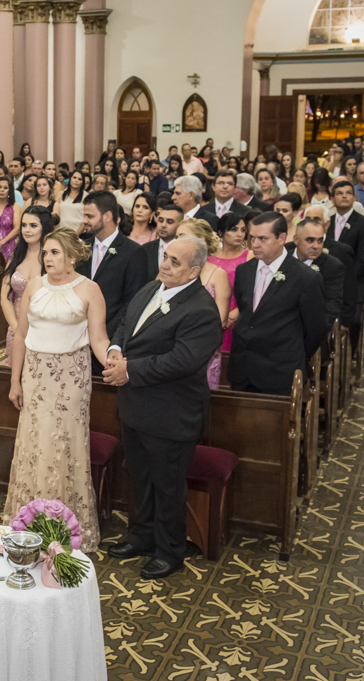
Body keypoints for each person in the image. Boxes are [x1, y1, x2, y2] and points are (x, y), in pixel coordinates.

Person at [103, 235, 224, 579]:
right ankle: (141, 536)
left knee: (167, 485)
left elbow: (182, 361)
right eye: (166, 256)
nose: (164, 265)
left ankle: (170, 551)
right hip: (134, 407)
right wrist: (115, 349)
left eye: (174, 261)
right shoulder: (151, 288)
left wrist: (130, 370)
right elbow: (126, 322)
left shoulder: (202, 310)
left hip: (170, 413)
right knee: (139, 477)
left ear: (194, 272)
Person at [5, 227, 110, 551]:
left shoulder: (90, 289)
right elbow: (21, 335)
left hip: (70, 379)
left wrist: (115, 363)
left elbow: (99, 339)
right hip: (35, 376)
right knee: (34, 443)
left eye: (55, 252)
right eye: (46, 253)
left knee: (65, 445)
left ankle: (66, 527)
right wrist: (15, 380)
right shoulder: (35, 286)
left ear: (72, 256)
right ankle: (29, 521)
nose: (48, 258)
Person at [229, 213, 327, 396]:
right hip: (242, 369)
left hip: (280, 371)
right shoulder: (244, 271)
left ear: (282, 238)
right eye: (252, 238)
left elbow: (316, 328)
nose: (255, 244)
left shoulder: (306, 277)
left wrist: (294, 353)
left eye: (262, 238)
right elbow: (247, 313)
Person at [77, 190, 150, 373]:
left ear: (107, 216)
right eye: (84, 215)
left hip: (111, 340)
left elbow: (132, 302)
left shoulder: (133, 252)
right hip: (77, 339)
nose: (84, 221)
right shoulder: (82, 248)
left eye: (90, 216)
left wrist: (103, 334)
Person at [176, 219, 232, 390]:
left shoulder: (218, 275)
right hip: (172, 350)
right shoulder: (171, 271)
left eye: (183, 236)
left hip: (203, 352)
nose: (177, 241)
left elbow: (220, 321)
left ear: (201, 241)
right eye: (176, 237)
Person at [0, 206, 52, 365]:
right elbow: (4, 297)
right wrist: (16, 327)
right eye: (24, 225)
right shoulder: (16, 256)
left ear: (44, 227)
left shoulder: (52, 257)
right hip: (16, 328)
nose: (27, 230)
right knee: (16, 373)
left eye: (33, 225)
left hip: (45, 328)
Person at [328, 179, 364, 338]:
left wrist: (344, 279)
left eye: (348, 193)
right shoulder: (327, 223)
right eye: (339, 193)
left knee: (353, 322)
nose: (344, 196)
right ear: (332, 199)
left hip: (354, 282)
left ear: (354, 198)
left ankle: (353, 350)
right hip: (328, 282)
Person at [288, 217, 345, 331]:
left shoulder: (332, 266)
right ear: (296, 239)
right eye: (310, 240)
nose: (316, 246)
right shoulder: (282, 258)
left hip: (311, 329)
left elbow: (332, 304)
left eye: (320, 241)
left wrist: (316, 329)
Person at [210, 212, 251, 353]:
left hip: (239, 317)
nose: (239, 234)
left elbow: (253, 291)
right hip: (211, 317)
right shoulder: (209, 257)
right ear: (221, 232)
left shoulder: (249, 256)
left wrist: (234, 315)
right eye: (234, 230)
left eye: (243, 230)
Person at [140, 203, 184, 278]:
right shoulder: (145, 249)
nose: (163, 225)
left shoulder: (185, 250)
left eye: (169, 222)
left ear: (180, 225)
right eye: (160, 220)